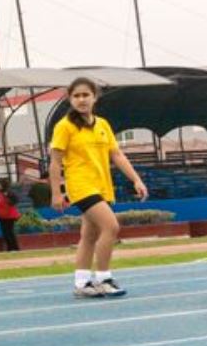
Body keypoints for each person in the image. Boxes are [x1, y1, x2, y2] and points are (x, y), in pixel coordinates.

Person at [49, 76, 147, 297]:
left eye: (86, 95)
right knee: (111, 227)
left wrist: (136, 179)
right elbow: (55, 162)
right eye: (76, 96)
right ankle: (104, 278)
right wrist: (56, 193)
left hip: (102, 185)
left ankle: (82, 283)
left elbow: (117, 155)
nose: (81, 99)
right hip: (81, 185)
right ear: (70, 99)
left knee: (89, 236)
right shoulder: (64, 127)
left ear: (95, 97)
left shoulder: (102, 124)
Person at [0, 176, 22, 252]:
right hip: (2, 216)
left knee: (9, 232)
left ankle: (15, 248)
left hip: (9, 216)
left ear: (2, 185)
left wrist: (8, 199)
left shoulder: (8, 192)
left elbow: (15, 200)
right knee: (5, 233)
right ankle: (10, 248)